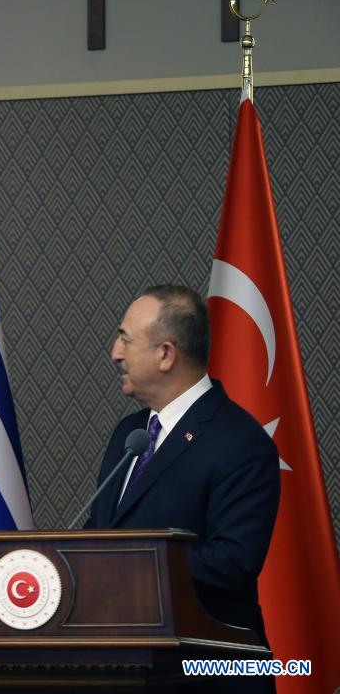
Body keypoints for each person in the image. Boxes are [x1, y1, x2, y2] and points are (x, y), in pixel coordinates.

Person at [85, 285, 280, 692]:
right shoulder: (130, 433)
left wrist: (132, 566)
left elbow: (231, 562)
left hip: (207, 673)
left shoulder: (240, 442)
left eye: (125, 340)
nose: (115, 354)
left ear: (166, 354)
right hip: (123, 668)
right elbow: (101, 530)